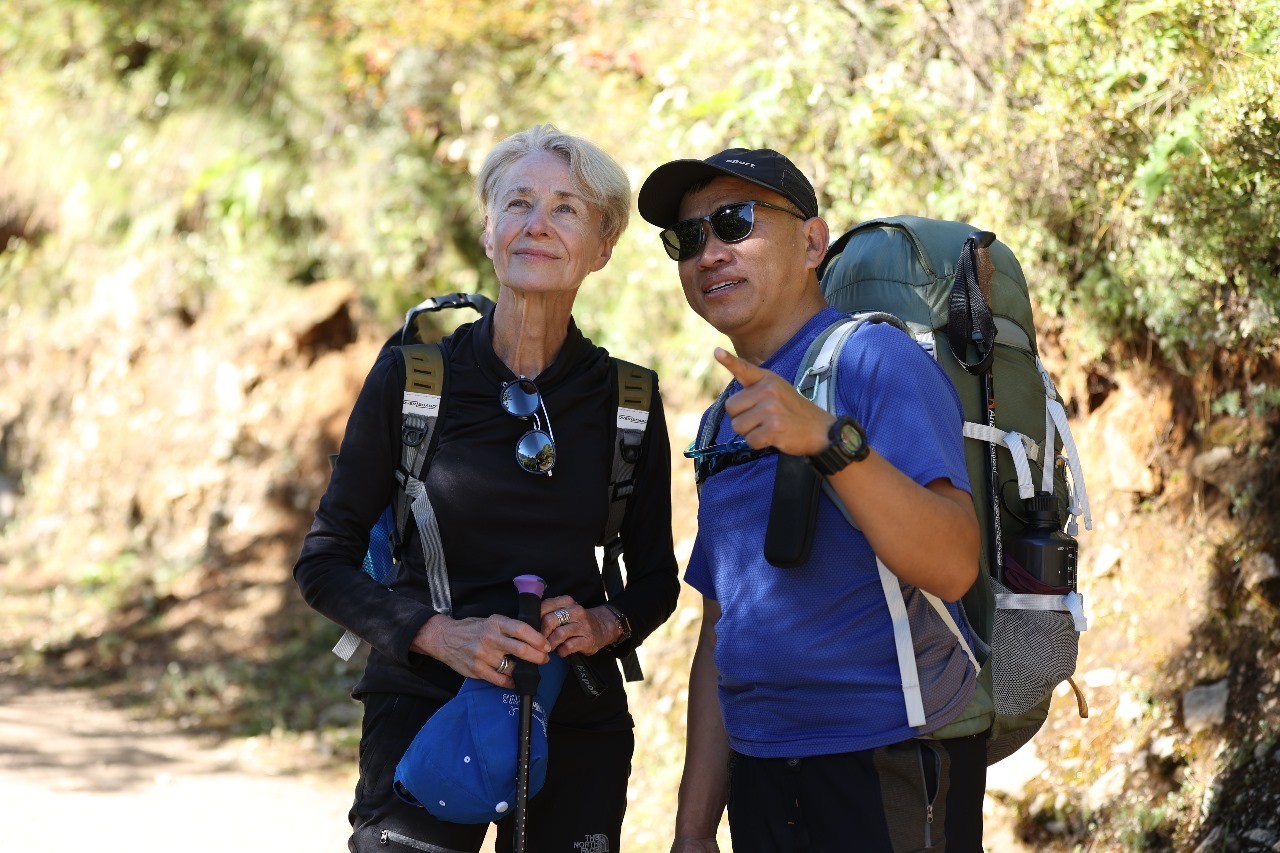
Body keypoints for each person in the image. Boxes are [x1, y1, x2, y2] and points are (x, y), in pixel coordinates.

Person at [296, 124, 680, 853]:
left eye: (566, 209)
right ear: (488, 229)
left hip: (575, 712)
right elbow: (324, 560)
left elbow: (656, 578)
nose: (537, 224)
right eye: (518, 203)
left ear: (603, 247)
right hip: (424, 702)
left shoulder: (627, 399)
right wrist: (439, 635)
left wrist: (606, 624)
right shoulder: (414, 380)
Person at [637, 148, 986, 852]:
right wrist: (694, 828)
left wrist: (827, 440)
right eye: (688, 237)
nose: (709, 253)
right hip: (762, 772)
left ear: (811, 242)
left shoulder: (873, 359)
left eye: (735, 223)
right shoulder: (722, 419)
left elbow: (953, 563)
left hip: (887, 758)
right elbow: (722, 629)